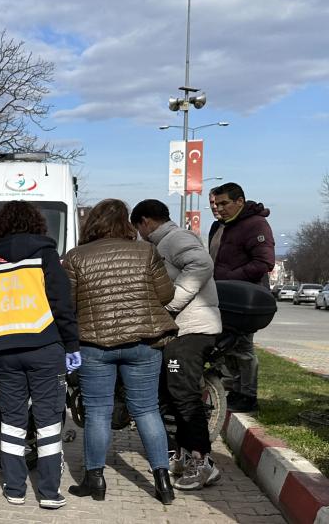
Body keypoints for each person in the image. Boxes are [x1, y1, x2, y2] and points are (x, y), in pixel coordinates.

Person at [62, 199, 178, 504]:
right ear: (126, 222)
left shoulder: (75, 257)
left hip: (94, 345)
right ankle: (163, 483)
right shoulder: (146, 251)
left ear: (92, 223)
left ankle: (94, 480)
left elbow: (68, 305)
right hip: (142, 342)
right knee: (146, 410)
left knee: (98, 412)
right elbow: (166, 294)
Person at [0, 201, 79, 509]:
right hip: (44, 348)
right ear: (37, 224)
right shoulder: (46, 255)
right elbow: (62, 304)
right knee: (48, 421)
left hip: (3, 351)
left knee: (12, 421)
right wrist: (72, 347)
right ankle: (49, 492)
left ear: (1, 227)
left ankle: (14, 488)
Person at [131, 199, 223, 490]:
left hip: (194, 328)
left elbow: (201, 263)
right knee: (168, 392)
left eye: (138, 228)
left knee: (183, 394)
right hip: (180, 330)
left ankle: (203, 462)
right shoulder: (164, 242)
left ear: (145, 221)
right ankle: (182, 455)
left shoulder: (176, 238)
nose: (139, 234)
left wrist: (174, 300)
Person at [208, 182, 275, 413]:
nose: (220, 208)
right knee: (227, 347)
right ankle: (235, 391)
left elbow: (264, 262)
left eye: (224, 203)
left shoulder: (255, 224)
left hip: (246, 298)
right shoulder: (220, 226)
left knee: (244, 348)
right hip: (224, 296)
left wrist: (230, 279)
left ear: (240, 201)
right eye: (217, 204)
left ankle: (248, 395)